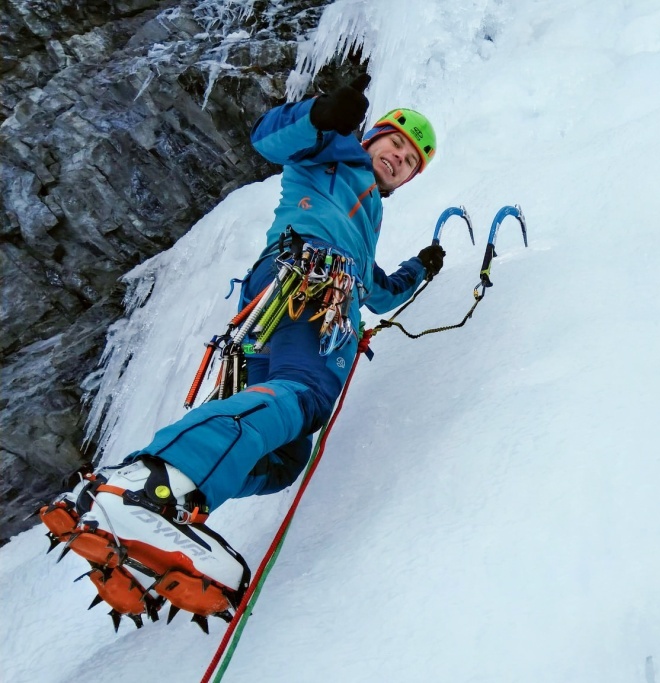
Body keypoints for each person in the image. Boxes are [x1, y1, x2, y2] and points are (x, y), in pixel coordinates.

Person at [40, 74, 443, 626]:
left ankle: (153, 523)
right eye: (396, 142)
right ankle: (149, 487)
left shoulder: (369, 217)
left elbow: (375, 291)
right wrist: (323, 112)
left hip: (305, 294)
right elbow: (268, 138)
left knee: (281, 459)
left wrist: (421, 268)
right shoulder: (329, 152)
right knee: (306, 395)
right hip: (306, 282)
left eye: (413, 159)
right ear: (372, 137)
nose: (401, 156)